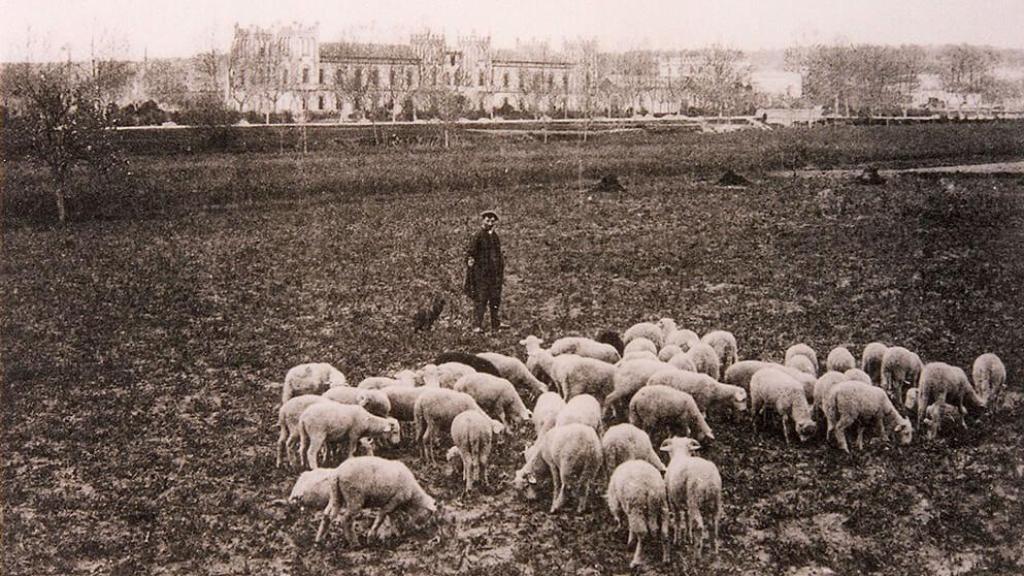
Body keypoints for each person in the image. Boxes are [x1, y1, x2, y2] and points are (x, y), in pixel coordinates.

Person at [464, 209, 505, 333]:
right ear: (483, 221)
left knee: (495, 298)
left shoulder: (494, 236)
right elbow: (470, 253)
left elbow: (498, 254)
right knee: (481, 299)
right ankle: (477, 325)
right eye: (488, 220)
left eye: (492, 221)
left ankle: (495, 323)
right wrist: (471, 266)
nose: (490, 223)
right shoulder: (478, 236)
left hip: (494, 275)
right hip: (481, 275)